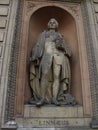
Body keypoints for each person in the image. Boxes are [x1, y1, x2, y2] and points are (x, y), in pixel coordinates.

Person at [29, 18, 71, 106]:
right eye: (50, 22)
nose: (52, 23)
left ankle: (54, 98)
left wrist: (62, 47)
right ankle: (42, 98)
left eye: (54, 22)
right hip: (46, 56)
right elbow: (37, 46)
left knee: (57, 77)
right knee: (44, 75)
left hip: (58, 57)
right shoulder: (43, 34)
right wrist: (35, 55)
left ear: (56, 25)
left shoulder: (60, 36)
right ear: (48, 24)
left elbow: (68, 50)